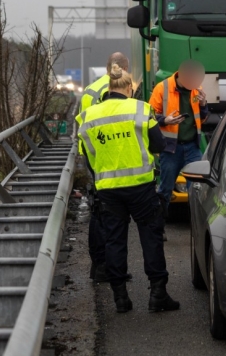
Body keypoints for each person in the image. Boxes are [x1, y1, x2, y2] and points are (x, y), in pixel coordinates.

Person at [76, 63, 179, 313]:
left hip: (108, 190)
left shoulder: (88, 117)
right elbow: (157, 145)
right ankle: (157, 294)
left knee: (114, 241)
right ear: (129, 88)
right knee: (151, 238)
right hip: (141, 187)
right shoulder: (140, 109)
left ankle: (120, 298)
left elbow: (87, 156)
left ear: (108, 88)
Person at [75, 52, 130, 283]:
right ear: (122, 69)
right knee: (106, 214)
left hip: (91, 153)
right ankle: (104, 267)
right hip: (108, 155)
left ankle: (99, 265)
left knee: (100, 210)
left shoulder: (90, 89)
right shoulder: (111, 90)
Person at [149, 59, 208, 239]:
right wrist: (165, 120)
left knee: (197, 189)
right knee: (165, 189)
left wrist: (205, 105)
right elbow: (149, 114)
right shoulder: (162, 88)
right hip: (170, 148)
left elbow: (202, 117)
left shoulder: (197, 89)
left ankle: (199, 229)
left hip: (192, 146)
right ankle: (158, 228)